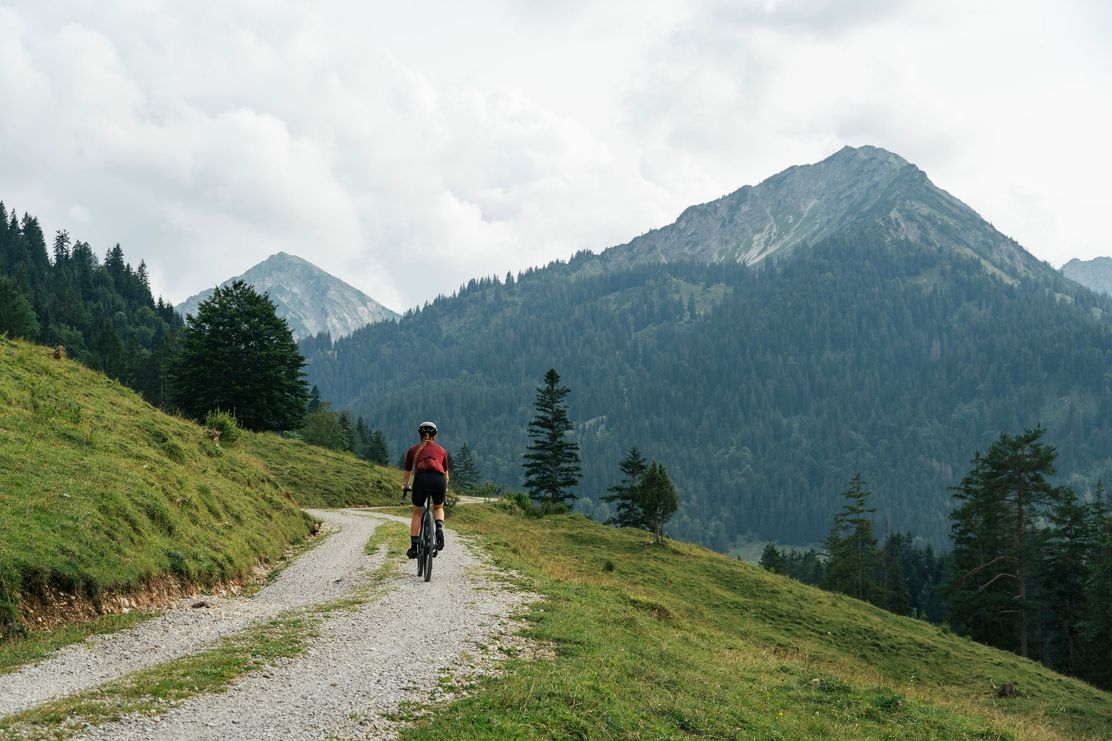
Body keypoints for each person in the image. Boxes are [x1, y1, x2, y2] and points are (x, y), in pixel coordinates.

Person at [402, 421, 449, 558]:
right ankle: (439, 528)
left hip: (421, 479)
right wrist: (444, 491)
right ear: (434, 436)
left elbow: (407, 473)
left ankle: (414, 547)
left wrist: (406, 485)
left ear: (420, 434)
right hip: (439, 480)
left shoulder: (413, 450)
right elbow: (446, 476)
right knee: (438, 507)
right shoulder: (442, 451)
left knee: (417, 512)